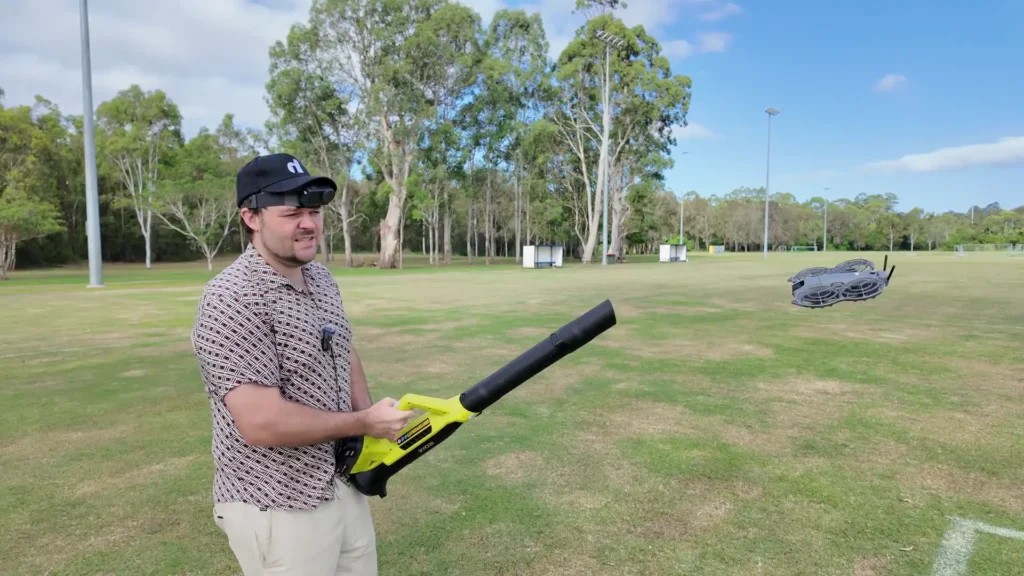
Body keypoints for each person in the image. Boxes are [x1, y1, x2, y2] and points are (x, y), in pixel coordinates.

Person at [190, 153, 417, 575]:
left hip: (340, 485)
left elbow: (343, 349)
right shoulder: (232, 299)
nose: (309, 223)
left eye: (313, 211)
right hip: (277, 503)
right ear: (251, 217)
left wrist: (365, 428)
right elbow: (262, 423)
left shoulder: (321, 279)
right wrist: (364, 422)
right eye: (292, 213)